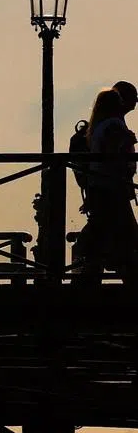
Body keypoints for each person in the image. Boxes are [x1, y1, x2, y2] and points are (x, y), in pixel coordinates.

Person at [73, 83, 138, 285]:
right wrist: (126, 141)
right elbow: (112, 154)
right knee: (127, 235)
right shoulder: (114, 125)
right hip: (112, 187)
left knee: (104, 230)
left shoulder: (97, 127)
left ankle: (86, 269)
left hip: (100, 186)